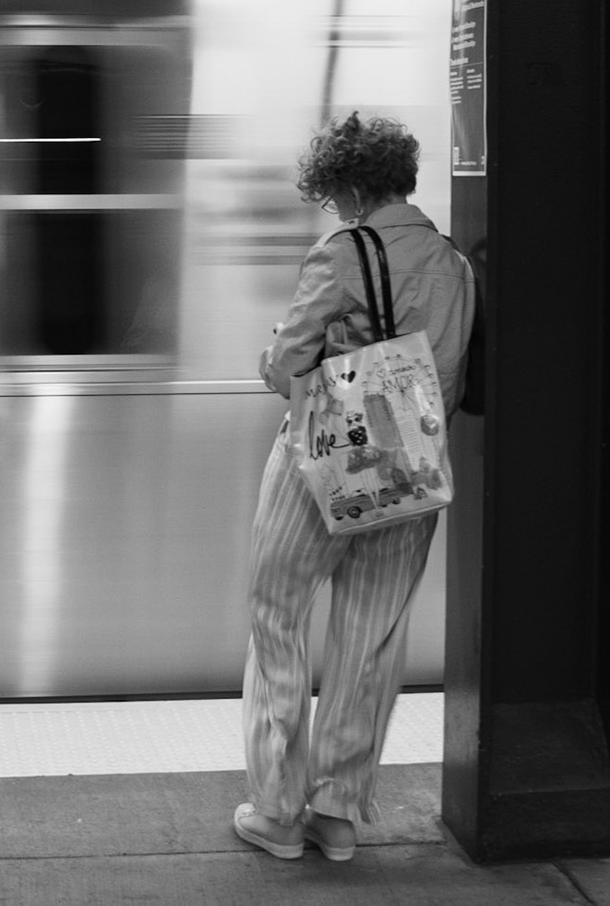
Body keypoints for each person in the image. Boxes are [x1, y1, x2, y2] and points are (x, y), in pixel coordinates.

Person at [234, 114, 474, 863]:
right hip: (413, 466)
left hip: (323, 463)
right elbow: (448, 378)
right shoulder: (455, 263)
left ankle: (276, 809)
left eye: (334, 193)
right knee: (370, 633)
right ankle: (337, 814)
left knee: (277, 613)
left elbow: (288, 366)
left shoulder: (344, 254)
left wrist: (275, 355)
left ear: (351, 185)